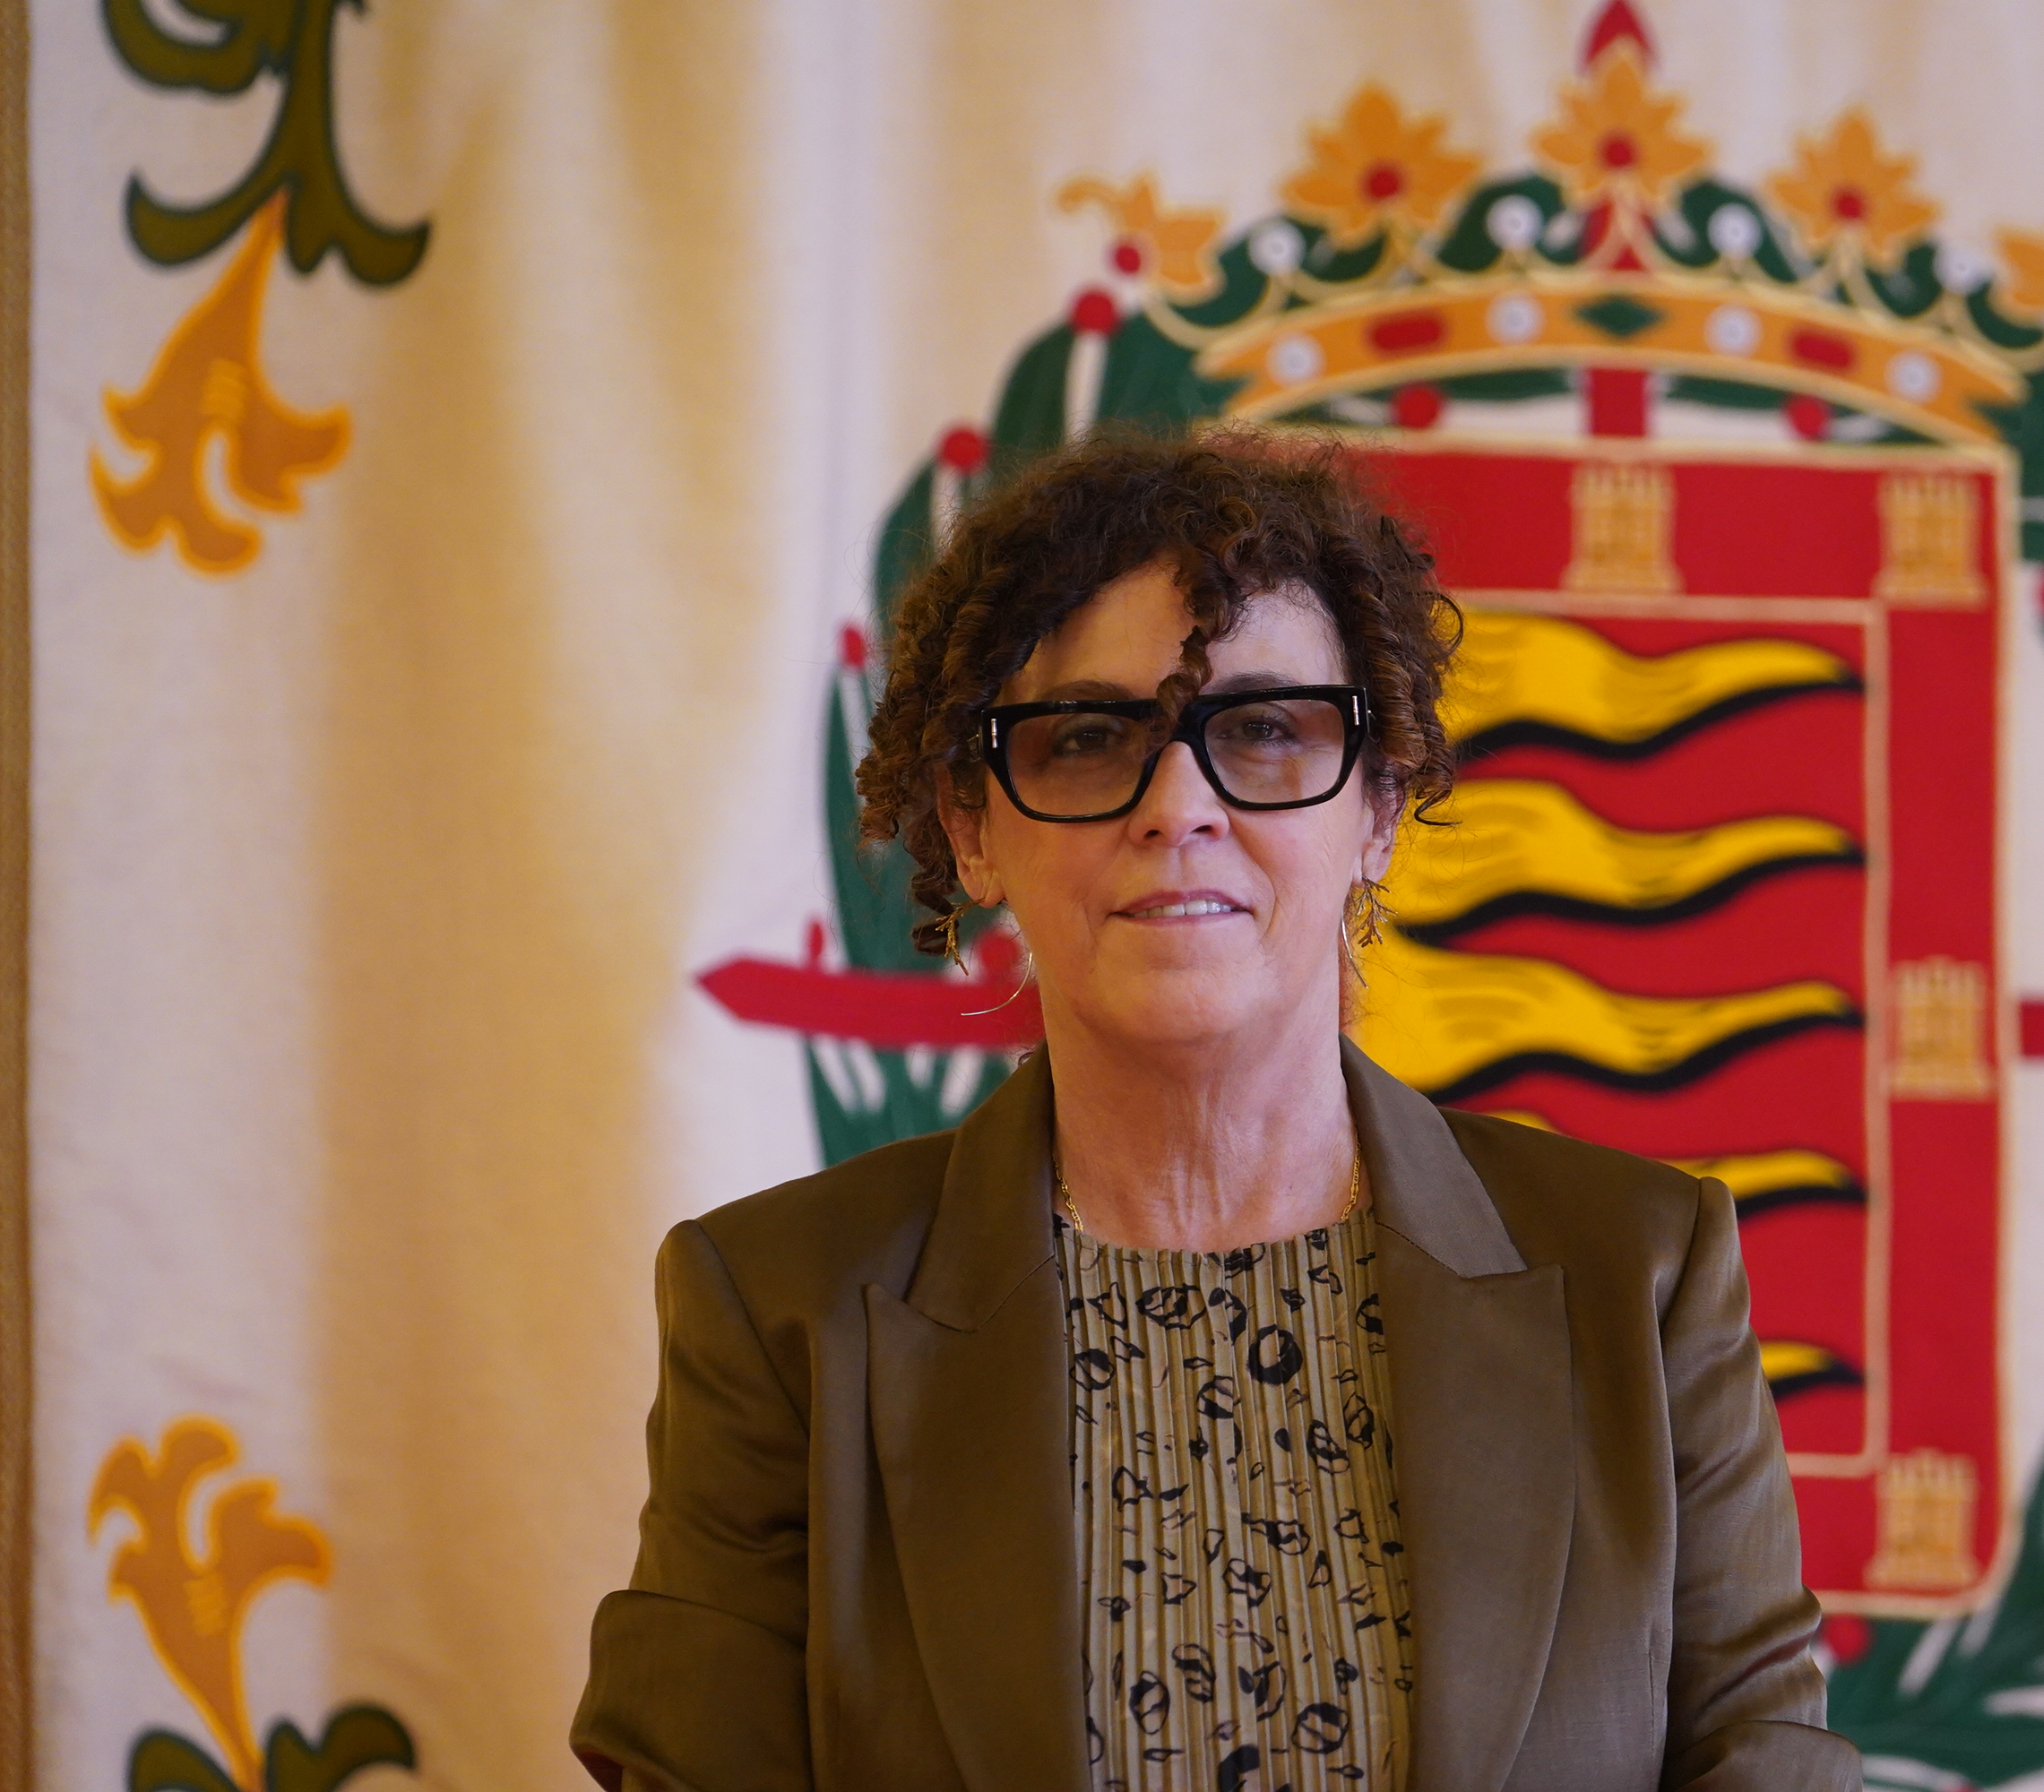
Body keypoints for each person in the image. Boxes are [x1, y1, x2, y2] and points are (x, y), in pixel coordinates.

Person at [571, 430, 1863, 1792]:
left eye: (1262, 729)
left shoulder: (1642, 1274)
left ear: (1379, 804)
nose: (1177, 806)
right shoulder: (779, 1311)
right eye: (1086, 740)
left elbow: (1766, 1762)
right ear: (970, 826)